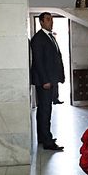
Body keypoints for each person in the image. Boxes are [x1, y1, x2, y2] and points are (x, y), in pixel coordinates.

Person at [29, 12, 65, 151]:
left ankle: (43, 137)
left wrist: (60, 76)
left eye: (52, 19)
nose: (51, 22)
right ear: (41, 22)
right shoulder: (38, 38)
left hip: (51, 79)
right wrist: (45, 80)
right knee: (45, 111)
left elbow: (56, 57)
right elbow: (38, 61)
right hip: (45, 82)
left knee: (44, 110)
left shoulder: (49, 36)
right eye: (48, 19)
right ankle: (47, 141)